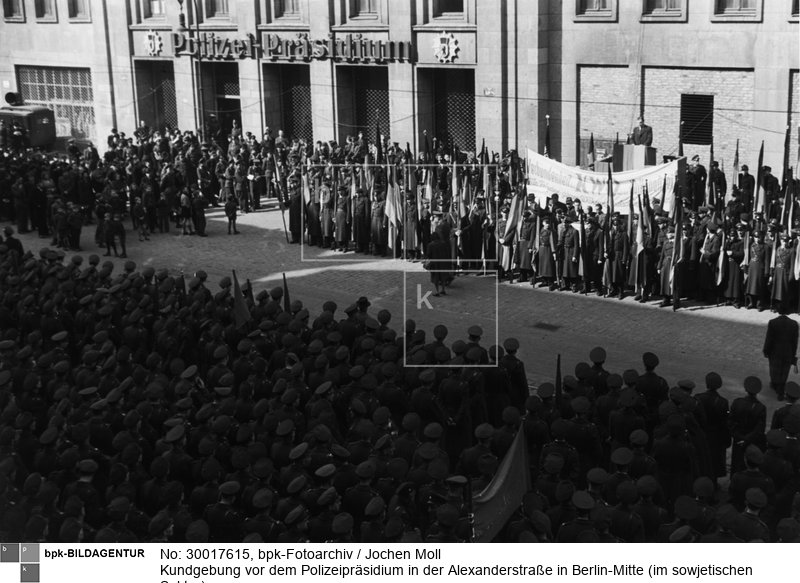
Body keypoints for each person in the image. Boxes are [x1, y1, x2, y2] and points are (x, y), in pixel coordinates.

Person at [763, 304, 799, 401]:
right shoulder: (794, 324)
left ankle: (775, 384)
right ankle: (781, 388)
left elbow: (769, 339)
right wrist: (793, 354)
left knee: (775, 369)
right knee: (785, 370)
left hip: (775, 351)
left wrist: (766, 350)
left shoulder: (773, 323)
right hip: (788, 351)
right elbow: (795, 341)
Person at [426, 231, 452, 297]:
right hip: (443, 263)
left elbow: (428, 255)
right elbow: (447, 253)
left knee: (436, 278)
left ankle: (437, 291)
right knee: (443, 277)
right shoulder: (443, 243)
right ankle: (443, 290)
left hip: (435, 264)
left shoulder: (430, 245)